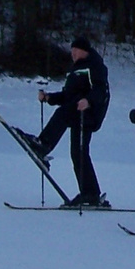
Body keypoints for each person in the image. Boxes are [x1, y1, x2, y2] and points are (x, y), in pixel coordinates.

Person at [29, 35, 111, 207]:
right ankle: (90, 194)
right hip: (77, 112)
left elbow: (100, 89)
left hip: (87, 113)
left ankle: (43, 144)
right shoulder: (75, 70)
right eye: (72, 50)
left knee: (64, 115)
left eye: (75, 50)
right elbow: (67, 96)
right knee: (78, 153)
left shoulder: (95, 66)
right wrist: (49, 97)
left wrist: (88, 101)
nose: (72, 53)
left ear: (84, 50)